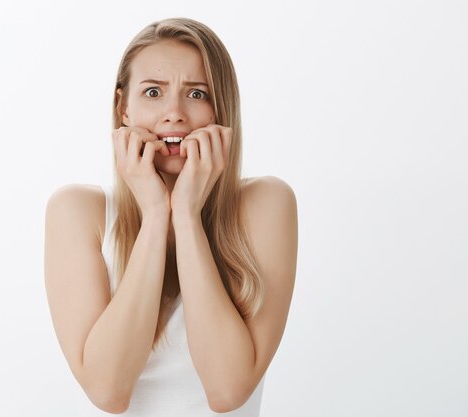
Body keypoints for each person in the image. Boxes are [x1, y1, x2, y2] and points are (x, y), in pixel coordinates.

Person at [44, 17, 298, 416]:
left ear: (222, 108)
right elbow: (108, 391)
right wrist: (156, 213)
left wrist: (188, 217)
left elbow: (228, 391)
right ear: (122, 108)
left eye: (197, 93)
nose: (174, 113)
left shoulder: (266, 203)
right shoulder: (76, 212)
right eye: (152, 92)